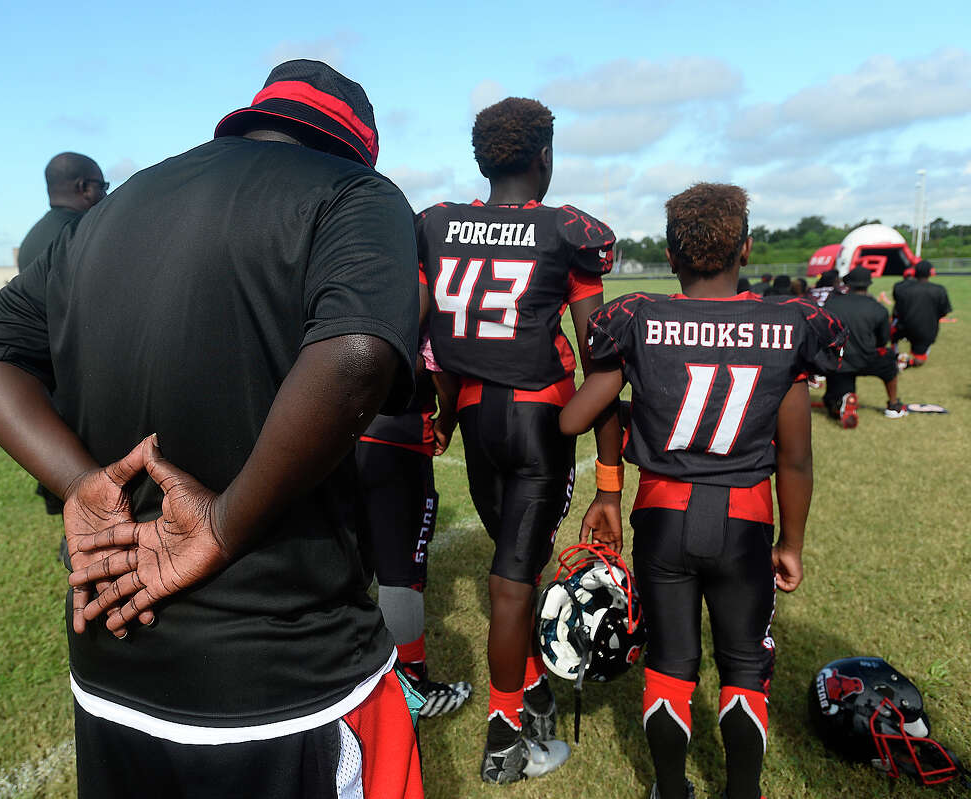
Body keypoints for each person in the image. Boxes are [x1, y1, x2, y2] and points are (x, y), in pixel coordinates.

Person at [0, 59, 425, 799]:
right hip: (281, 677)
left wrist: (79, 483)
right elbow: (359, 352)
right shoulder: (354, 192)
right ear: (354, 144)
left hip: (110, 666)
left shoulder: (110, 209)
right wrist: (225, 525)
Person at [559, 183, 845, 799]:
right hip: (744, 519)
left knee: (669, 666)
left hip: (661, 516)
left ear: (669, 255)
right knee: (744, 668)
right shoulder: (787, 323)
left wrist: (624, 399)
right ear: (746, 248)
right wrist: (791, 543)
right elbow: (795, 458)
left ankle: (669, 789)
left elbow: (572, 419)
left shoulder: (635, 316)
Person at [416, 96, 623, 784]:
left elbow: (426, 341)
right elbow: (600, 357)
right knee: (511, 584)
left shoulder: (438, 225)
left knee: (516, 571)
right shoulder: (566, 232)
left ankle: (532, 691)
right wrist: (602, 466)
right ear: (544, 157)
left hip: (476, 417)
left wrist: (441, 412)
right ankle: (506, 738)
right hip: (538, 420)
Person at [355, 288, 472, 719]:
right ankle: (412, 690)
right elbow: (437, 368)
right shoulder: (412, 282)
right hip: (399, 437)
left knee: (352, 558)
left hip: (341, 433)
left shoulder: (342, 271)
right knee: (401, 574)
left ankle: (346, 676)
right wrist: (448, 416)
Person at [17, 151, 109, 523]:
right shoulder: (83, 234)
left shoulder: (32, 238)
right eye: (103, 186)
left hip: (48, 379)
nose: (104, 195)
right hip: (84, 382)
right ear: (84, 187)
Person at [822, 265, 907, 426]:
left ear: (848, 284)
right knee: (889, 363)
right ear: (868, 284)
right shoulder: (878, 308)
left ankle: (843, 404)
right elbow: (883, 341)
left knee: (834, 399)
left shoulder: (832, 304)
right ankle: (893, 404)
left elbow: (825, 333)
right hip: (868, 359)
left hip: (840, 362)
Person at [891, 260, 952, 368]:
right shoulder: (939, 290)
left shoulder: (902, 289)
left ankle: (897, 356)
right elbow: (944, 312)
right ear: (930, 273)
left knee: (891, 333)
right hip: (928, 330)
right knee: (919, 360)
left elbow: (897, 311)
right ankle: (907, 363)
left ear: (914, 272)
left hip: (904, 326)